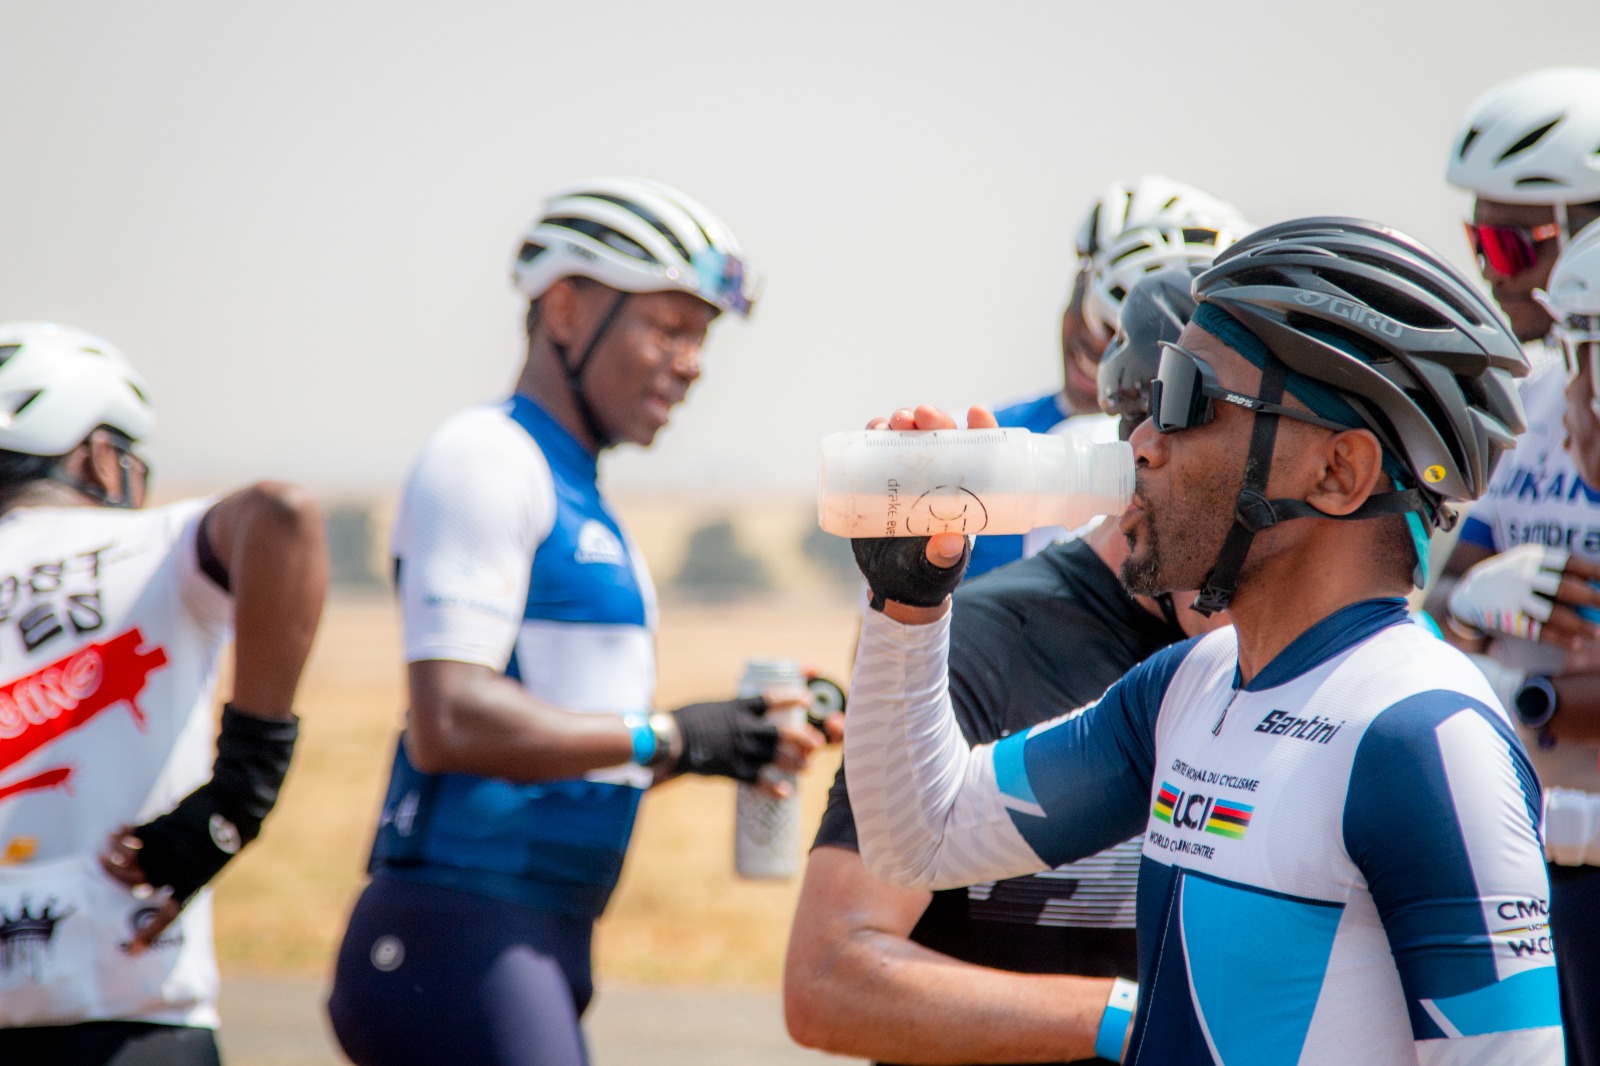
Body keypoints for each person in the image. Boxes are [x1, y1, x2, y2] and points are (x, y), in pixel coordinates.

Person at [842, 218, 1562, 1063]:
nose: (1141, 442)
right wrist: (908, 605)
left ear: (1338, 474)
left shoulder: (1422, 743)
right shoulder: (1193, 683)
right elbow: (916, 839)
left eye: (1187, 400)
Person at [326, 178, 823, 1066]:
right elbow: (451, 722)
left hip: (537, 935)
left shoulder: (584, 496)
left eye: (702, 338)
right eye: (668, 329)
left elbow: (567, 753)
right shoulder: (486, 457)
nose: (694, 363)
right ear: (563, 310)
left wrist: (718, 741)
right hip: (459, 930)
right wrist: (667, 733)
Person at [784, 268, 1216, 1066]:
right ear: (1136, 458)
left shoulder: (1274, 657)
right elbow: (829, 976)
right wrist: (1130, 1019)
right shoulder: (992, 638)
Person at [0, 323, 328, 1065]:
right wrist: (242, 791)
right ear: (96, 456)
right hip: (135, 1012)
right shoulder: (146, 545)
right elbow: (285, 514)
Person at [1432, 67, 1600, 1066]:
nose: (1491, 273)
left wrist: (1513, 684)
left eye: (1512, 244)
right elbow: (1442, 590)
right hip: (1536, 856)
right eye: (1477, 240)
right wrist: (1473, 601)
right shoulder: (1531, 409)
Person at [967, 176, 1246, 578]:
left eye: (1133, 333)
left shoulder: (1126, 452)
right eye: (1089, 297)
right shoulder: (975, 429)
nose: (1097, 345)